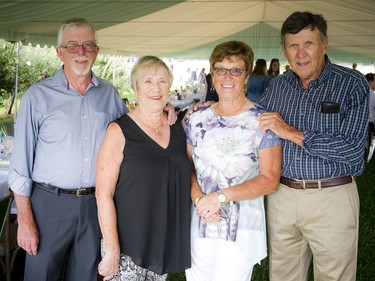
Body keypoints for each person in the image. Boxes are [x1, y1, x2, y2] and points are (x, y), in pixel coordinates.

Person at [8, 18, 176, 281]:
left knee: (86, 276)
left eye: (88, 45)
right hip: (49, 205)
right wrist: (26, 220)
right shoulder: (36, 96)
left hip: (94, 204)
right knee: (42, 275)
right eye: (72, 46)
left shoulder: (109, 94)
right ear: (59, 52)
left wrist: (163, 108)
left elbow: (134, 129)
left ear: (97, 51)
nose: (81, 52)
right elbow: (19, 166)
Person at [258, 11, 369, 281]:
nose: (301, 53)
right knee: (283, 275)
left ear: (325, 44)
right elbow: (253, 123)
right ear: (284, 50)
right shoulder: (278, 86)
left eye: (308, 43)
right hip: (282, 195)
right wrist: (209, 110)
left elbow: (354, 152)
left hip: (331, 196)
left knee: (334, 276)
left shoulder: (351, 84)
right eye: (293, 46)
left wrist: (293, 134)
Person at [185, 40, 282, 281]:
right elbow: (186, 168)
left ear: (247, 76)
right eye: (220, 69)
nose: (227, 76)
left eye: (236, 70)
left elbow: (270, 180)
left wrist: (220, 198)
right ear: (212, 75)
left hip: (241, 228)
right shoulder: (196, 118)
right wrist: (199, 199)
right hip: (200, 220)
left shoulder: (263, 121)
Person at [96, 56, 191, 281]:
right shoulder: (118, 131)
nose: (156, 89)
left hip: (162, 244)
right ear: (135, 86)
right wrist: (112, 250)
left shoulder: (178, 128)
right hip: (128, 247)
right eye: (148, 81)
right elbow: (103, 194)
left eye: (162, 81)